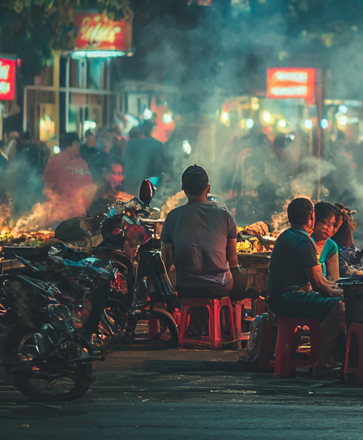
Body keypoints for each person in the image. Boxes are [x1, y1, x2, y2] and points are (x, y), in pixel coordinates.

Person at [265, 197, 344, 377]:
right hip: (288, 299)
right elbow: (319, 285)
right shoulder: (303, 241)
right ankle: (324, 362)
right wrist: (343, 294)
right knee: (338, 306)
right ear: (311, 217)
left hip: (279, 298)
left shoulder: (287, 235)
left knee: (334, 302)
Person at [161, 166, 249, 302]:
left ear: (183, 188)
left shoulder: (173, 216)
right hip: (220, 286)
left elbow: (167, 262)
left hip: (185, 286)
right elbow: (232, 260)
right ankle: (226, 319)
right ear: (208, 188)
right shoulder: (225, 214)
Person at [43, 132, 92, 221]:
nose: (78, 147)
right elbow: (48, 185)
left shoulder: (82, 163)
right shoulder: (55, 161)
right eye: (76, 144)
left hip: (78, 211)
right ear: (68, 147)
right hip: (60, 211)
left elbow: (89, 183)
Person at [122, 120, 168, 198]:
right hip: (149, 187)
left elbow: (125, 163)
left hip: (130, 185)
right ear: (153, 130)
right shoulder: (158, 145)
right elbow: (159, 168)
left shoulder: (130, 144)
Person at [312, 201, 343, 283]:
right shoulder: (304, 241)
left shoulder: (331, 246)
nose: (330, 229)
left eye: (333, 224)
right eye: (325, 223)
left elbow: (334, 279)